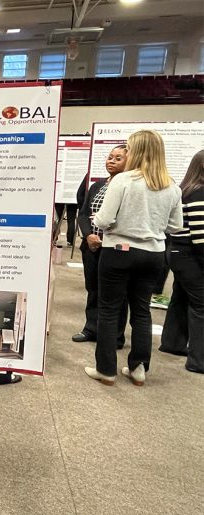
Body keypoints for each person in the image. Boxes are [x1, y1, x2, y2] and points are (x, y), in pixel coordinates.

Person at [85, 130, 183, 387]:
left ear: (136, 151)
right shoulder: (171, 185)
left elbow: (103, 220)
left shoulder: (123, 180)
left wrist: (108, 223)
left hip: (118, 250)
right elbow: (176, 226)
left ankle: (106, 370)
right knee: (142, 311)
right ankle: (139, 368)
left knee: (109, 310)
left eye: (128, 148)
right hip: (153, 255)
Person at [72, 145, 129, 346]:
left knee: (116, 294)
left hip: (115, 248)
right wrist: (88, 236)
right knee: (93, 289)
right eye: (110, 157)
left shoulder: (128, 187)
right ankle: (91, 328)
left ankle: (115, 335)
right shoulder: (97, 185)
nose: (111, 161)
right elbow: (83, 213)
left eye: (118, 158)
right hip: (92, 247)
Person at [160, 150, 204, 374]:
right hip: (190, 255)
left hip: (177, 252)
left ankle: (172, 343)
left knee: (181, 297)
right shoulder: (199, 193)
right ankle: (199, 360)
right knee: (201, 304)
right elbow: (200, 236)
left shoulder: (185, 190)